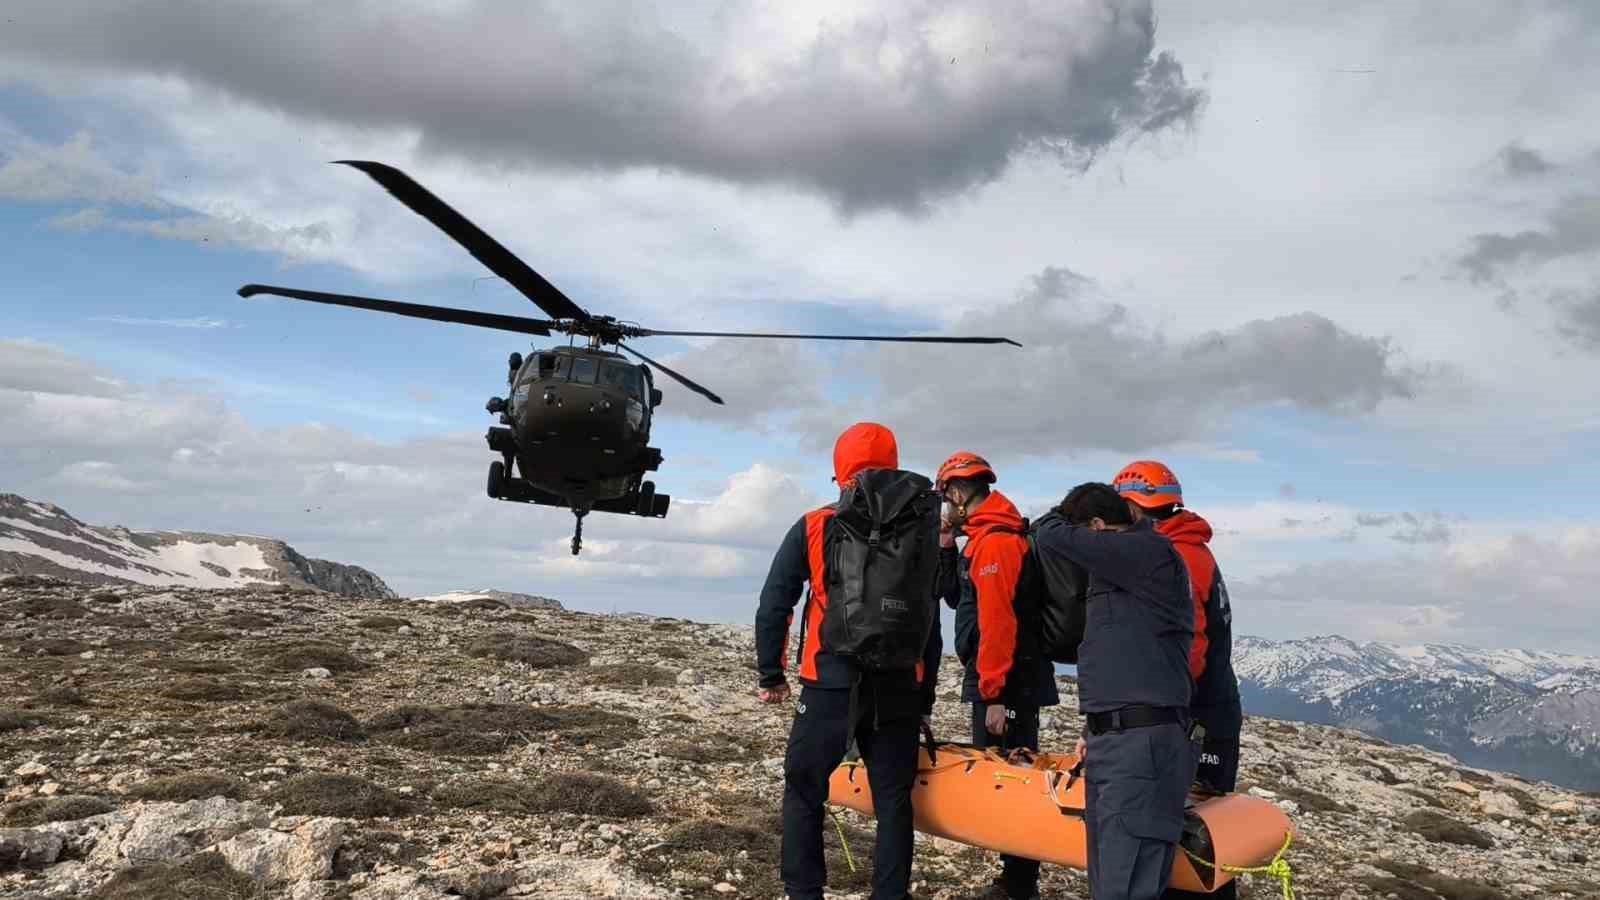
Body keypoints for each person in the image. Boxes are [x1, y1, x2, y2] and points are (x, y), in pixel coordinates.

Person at [754, 422, 942, 900]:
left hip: (829, 678)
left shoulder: (817, 523)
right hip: (899, 682)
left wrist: (771, 673)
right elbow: (928, 621)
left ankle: (804, 892)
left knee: (804, 790)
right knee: (894, 802)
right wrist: (924, 698)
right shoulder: (921, 528)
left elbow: (776, 601)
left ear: (840, 466)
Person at [1033, 483, 1195, 900]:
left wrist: (1055, 512)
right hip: (1115, 741)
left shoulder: (1148, 554)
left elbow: (1049, 533)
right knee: (1110, 883)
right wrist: (1095, 729)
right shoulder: (1123, 566)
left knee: (1127, 886)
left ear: (1099, 528)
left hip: (1140, 747)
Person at [1112, 462, 1243, 900]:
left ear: (1133, 508)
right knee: (1203, 824)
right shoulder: (1189, 548)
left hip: (1195, 712)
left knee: (1192, 827)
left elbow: (1191, 649)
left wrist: (1154, 714)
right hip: (1209, 707)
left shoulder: (1177, 557)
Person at [933, 451, 1057, 900]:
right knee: (1003, 776)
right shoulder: (979, 540)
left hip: (1008, 683)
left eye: (945, 497)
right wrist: (947, 545)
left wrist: (995, 692)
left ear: (959, 493)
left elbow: (999, 623)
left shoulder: (998, 544)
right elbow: (953, 599)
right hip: (1000, 678)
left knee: (1014, 782)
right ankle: (1015, 878)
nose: (943, 506)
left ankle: (1020, 882)